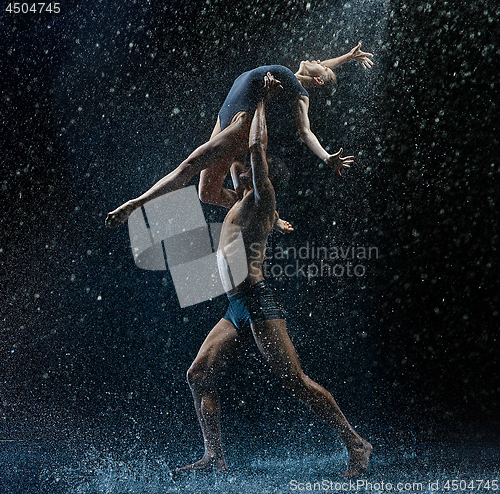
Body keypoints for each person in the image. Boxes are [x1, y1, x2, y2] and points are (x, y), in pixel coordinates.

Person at [176, 73, 372, 478]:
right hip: (236, 306)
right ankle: (214, 456)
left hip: (257, 302)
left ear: (258, 177)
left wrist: (261, 101)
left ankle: (356, 443)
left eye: (245, 170)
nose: (238, 170)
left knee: (296, 381)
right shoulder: (240, 201)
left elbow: (254, 147)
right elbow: (214, 179)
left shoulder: (261, 199)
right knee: (198, 374)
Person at [105, 43, 373, 227]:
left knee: (188, 166)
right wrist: (347, 58)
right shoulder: (296, 76)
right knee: (207, 194)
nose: (319, 61)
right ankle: (266, 214)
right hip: (225, 116)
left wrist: (326, 157)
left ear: (317, 82)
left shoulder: (300, 94)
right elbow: (318, 67)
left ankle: (135, 205)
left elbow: (305, 131)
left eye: (323, 68)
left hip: (239, 122)